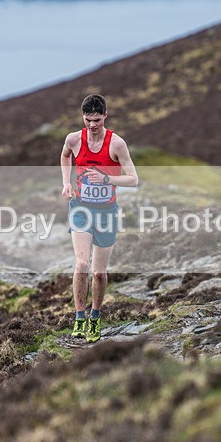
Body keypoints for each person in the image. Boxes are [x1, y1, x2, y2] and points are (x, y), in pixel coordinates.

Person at [60, 94, 139, 343]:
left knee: (99, 273)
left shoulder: (117, 144)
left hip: (106, 212)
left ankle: (95, 317)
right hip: (81, 208)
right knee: (81, 264)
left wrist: (107, 179)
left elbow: (134, 179)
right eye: (87, 119)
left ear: (105, 116)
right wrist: (65, 183)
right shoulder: (74, 139)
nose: (92, 125)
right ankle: (79, 318)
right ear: (82, 117)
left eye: (96, 119)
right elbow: (64, 157)